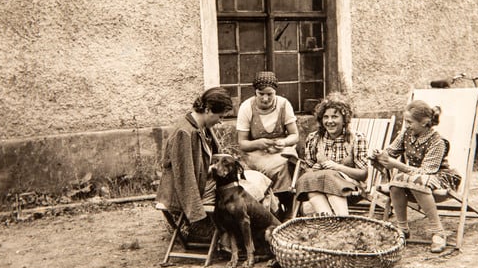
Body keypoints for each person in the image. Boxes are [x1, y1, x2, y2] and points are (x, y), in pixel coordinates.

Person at [372, 100, 461, 254]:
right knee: (396, 182)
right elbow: (391, 152)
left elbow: (426, 171)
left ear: (425, 122)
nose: (406, 125)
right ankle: (402, 229)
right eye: (405, 121)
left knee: (415, 181)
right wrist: (380, 155)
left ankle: (438, 232)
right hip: (413, 178)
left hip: (440, 177)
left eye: (409, 122)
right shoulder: (406, 133)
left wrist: (395, 164)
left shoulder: (437, 142)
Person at [156, 87, 233, 224]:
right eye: (220, 116)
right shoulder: (184, 133)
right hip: (180, 194)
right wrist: (196, 213)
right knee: (239, 194)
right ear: (208, 110)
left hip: (200, 183)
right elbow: (185, 176)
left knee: (253, 183)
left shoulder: (200, 127)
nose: (220, 121)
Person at [236, 71, 299, 219]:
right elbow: (242, 143)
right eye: (261, 94)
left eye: (270, 94)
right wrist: (258, 143)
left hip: (279, 150)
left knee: (285, 163)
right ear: (255, 93)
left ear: (275, 92)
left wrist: (283, 142)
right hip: (255, 152)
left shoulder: (284, 105)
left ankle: (287, 208)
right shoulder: (247, 107)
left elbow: (295, 136)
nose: (265, 98)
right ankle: (270, 212)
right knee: (257, 171)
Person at [295, 93, 368, 216]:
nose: (329, 121)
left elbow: (363, 174)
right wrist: (314, 169)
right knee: (309, 180)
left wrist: (337, 167)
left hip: (349, 187)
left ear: (345, 119)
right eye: (326, 117)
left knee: (328, 178)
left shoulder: (356, 138)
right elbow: (308, 168)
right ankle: (331, 224)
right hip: (319, 184)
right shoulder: (314, 138)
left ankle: (341, 220)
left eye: (335, 117)